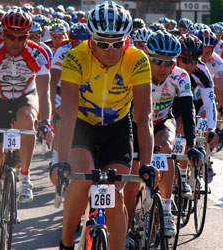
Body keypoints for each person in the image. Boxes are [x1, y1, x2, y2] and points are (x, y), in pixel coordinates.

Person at [51, 2, 154, 249]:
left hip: (117, 128)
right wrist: (61, 160)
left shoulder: (138, 60)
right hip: (83, 127)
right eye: (103, 43)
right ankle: (66, 242)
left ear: (126, 42)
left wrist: (148, 164)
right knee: (82, 180)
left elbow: (144, 116)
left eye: (118, 43)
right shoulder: (75, 57)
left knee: (114, 194)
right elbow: (68, 113)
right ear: (91, 41)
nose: (111, 50)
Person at [0, 8, 53, 247]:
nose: (17, 42)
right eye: (11, 36)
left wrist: (46, 122)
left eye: (22, 37)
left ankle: (25, 177)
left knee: (28, 118)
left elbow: (44, 92)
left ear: (29, 36)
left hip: (24, 98)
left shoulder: (38, 54)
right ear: (2, 34)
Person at [125, 31, 205, 238]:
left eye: (168, 63)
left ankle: (167, 210)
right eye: (157, 62)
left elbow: (188, 111)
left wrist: (193, 144)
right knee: (132, 183)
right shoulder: (136, 71)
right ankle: (124, 231)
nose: (163, 68)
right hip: (133, 125)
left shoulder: (180, 75)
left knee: (166, 150)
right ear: (148, 58)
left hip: (161, 123)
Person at [176, 33, 218, 187]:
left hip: (185, 104)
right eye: (185, 61)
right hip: (166, 105)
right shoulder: (168, 66)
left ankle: (182, 175)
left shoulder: (201, 70)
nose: (189, 66)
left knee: (183, 127)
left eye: (194, 61)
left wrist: (212, 128)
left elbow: (209, 100)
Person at [195, 29, 223, 134]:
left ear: (213, 50)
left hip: (202, 100)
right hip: (183, 98)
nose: (203, 57)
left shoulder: (217, 62)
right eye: (201, 52)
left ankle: (203, 148)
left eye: (208, 53)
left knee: (207, 128)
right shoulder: (187, 60)